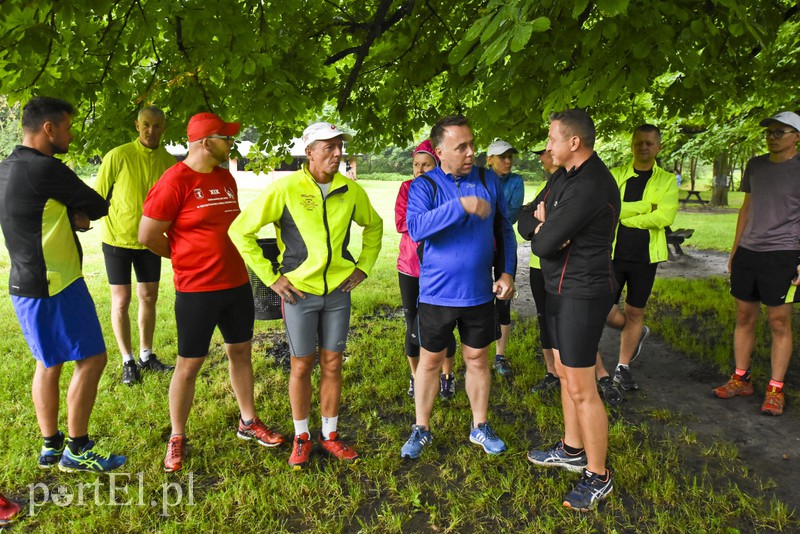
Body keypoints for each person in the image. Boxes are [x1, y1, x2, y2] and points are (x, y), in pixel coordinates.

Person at [229, 122, 383, 470]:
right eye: (327, 147)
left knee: (332, 363)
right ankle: (302, 437)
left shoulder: (350, 190)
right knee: (302, 363)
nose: (336, 153)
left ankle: (329, 435)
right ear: (309, 152)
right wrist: (271, 278)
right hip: (299, 294)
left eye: (339, 146)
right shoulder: (285, 189)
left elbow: (374, 226)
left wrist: (364, 266)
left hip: (338, 293)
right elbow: (240, 230)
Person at [139, 112, 285, 473]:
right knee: (189, 363)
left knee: (240, 351)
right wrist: (182, 256)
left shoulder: (224, 178)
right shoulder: (174, 181)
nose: (231, 144)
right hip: (196, 289)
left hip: (235, 284)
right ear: (206, 142)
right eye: (226, 138)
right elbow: (147, 235)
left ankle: (248, 422)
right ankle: (177, 436)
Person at [0, 96, 126, 472]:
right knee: (93, 359)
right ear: (49, 129)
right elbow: (97, 205)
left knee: (48, 361)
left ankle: (51, 444)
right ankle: (78, 448)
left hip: (24, 283)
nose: (71, 134)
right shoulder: (46, 169)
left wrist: (69, 213)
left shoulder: (7, 166)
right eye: (67, 128)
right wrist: (76, 214)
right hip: (58, 283)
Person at [400, 114, 516, 459]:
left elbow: (504, 231)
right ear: (440, 151)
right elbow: (416, 227)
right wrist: (460, 206)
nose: (470, 152)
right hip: (436, 293)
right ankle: (421, 428)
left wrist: (507, 272)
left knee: (478, 358)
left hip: (479, 292)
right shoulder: (426, 186)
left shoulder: (487, 180)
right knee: (430, 361)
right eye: (460, 146)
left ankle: (480, 426)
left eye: (472, 145)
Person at [525, 109, 619, 511]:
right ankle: (571, 448)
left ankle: (598, 475)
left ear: (574, 142)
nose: (548, 146)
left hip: (584, 292)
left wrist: (546, 232)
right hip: (560, 288)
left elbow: (541, 246)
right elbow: (525, 219)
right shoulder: (563, 176)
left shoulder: (591, 185)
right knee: (565, 374)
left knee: (582, 386)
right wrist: (544, 225)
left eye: (552, 139)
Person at [713, 111, 800, 416]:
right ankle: (741, 378)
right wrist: (735, 251)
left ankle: (775, 389)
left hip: (784, 254)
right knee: (744, 316)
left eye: (781, 132)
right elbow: (746, 210)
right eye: (770, 132)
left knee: (779, 322)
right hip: (749, 252)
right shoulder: (755, 165)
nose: (773, 137)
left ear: (797, 137)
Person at [94, 106, 176, 385]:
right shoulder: (117, 155)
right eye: (145, 125)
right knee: (121, 300)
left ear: (163, 128)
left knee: (149, 297)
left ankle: (146, 354)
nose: (150, 131)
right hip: (117, 240)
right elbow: (98, 197)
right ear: (136, 125)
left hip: (150, 241)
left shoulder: (169, 162)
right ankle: (128, 360)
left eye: (156, 126)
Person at [607, 124, 678, 391]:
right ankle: (637, 333)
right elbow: (608, 210)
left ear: (658, 146)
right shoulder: (615, 176)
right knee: (603, 308)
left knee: (636, 311)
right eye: (639, 143)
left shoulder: (667, 180)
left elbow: (665, 217)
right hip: (612, 254)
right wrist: (645, 207)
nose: (644, 147)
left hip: (645, 257)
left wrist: (627, 219)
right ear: (632, 145)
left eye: (649, 143)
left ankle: (622, 367)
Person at [396, 140, 458, 400]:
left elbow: (454, 224)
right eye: (416, 165)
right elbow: (403, 223)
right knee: (413, 324)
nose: (420, 170)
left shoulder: (449, 188)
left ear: (438, 165)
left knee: (444, 325)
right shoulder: (407, 188)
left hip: (441, 269)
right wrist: (436, 219)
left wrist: (425, 220)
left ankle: (447, 377)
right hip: (410, 267)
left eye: (426, 164)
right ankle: (415, 375)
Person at [486, 139, 525, 378]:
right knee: (479, 299)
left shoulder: (516, 181)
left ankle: (500, 355)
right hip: (480, 246)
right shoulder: (481, 178)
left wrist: (485, 214)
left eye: (510, 156)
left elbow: (510, 215)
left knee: (504, 300)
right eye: (502, 157)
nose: (508, 161)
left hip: (504, 243)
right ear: (490, 159)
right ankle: (478, 350)